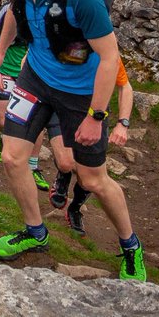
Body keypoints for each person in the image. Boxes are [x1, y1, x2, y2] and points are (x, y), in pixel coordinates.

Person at [0, 0, 146, 281]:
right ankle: (35, 232)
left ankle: (131, 247)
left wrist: (97, 116)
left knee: (91, 179)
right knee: (12, 157)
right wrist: (1, 51)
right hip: (36, 78)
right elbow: (16, 13)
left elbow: (109, 58)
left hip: (80, 94)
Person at [48, 58, 135, 235]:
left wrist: (123, 124)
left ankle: (75, 208)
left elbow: (125, 86)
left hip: (94, 112)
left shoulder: (103, 49)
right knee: (66, 163)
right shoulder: (59, 38)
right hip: (61, 103)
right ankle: (63, 177)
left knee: (88, 179)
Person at [0, 0, 49, 192]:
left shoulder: (46, 12)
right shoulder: (8, 10)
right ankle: (4, 138)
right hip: (4, 71)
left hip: (30, 76)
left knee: (36, 122)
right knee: (4, 121)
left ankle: (33, 166)